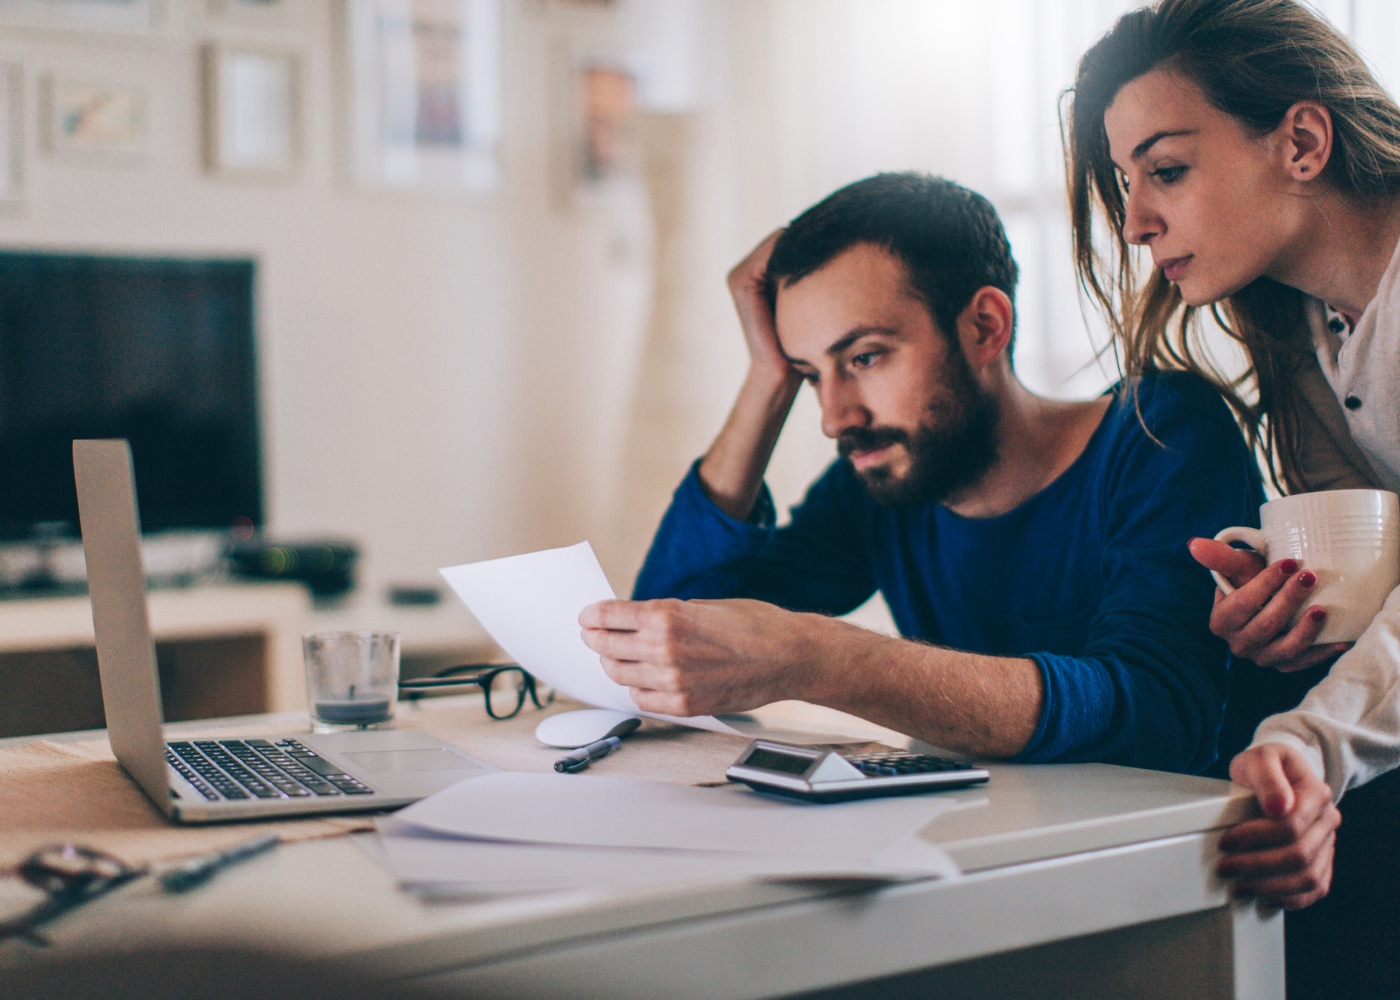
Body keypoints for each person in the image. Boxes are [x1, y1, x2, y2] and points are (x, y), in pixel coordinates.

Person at [580, 173, 1263, 782]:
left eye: (867, 357)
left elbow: (1159, 713)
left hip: (1195, 872)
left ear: (984, 327)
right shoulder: (883, 482)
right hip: (996, 855)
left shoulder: (1160, 433)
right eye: (813, 374)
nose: (834, 416)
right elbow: (672, 648)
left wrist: (818, 656)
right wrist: (766, 382)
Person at [1066, 0, 1400, 992]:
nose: (1131, 223)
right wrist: (1289, 587)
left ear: (1299, 139)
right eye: (1126, 185)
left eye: (1164, 170)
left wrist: (1311, 742)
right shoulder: (1306, 325)